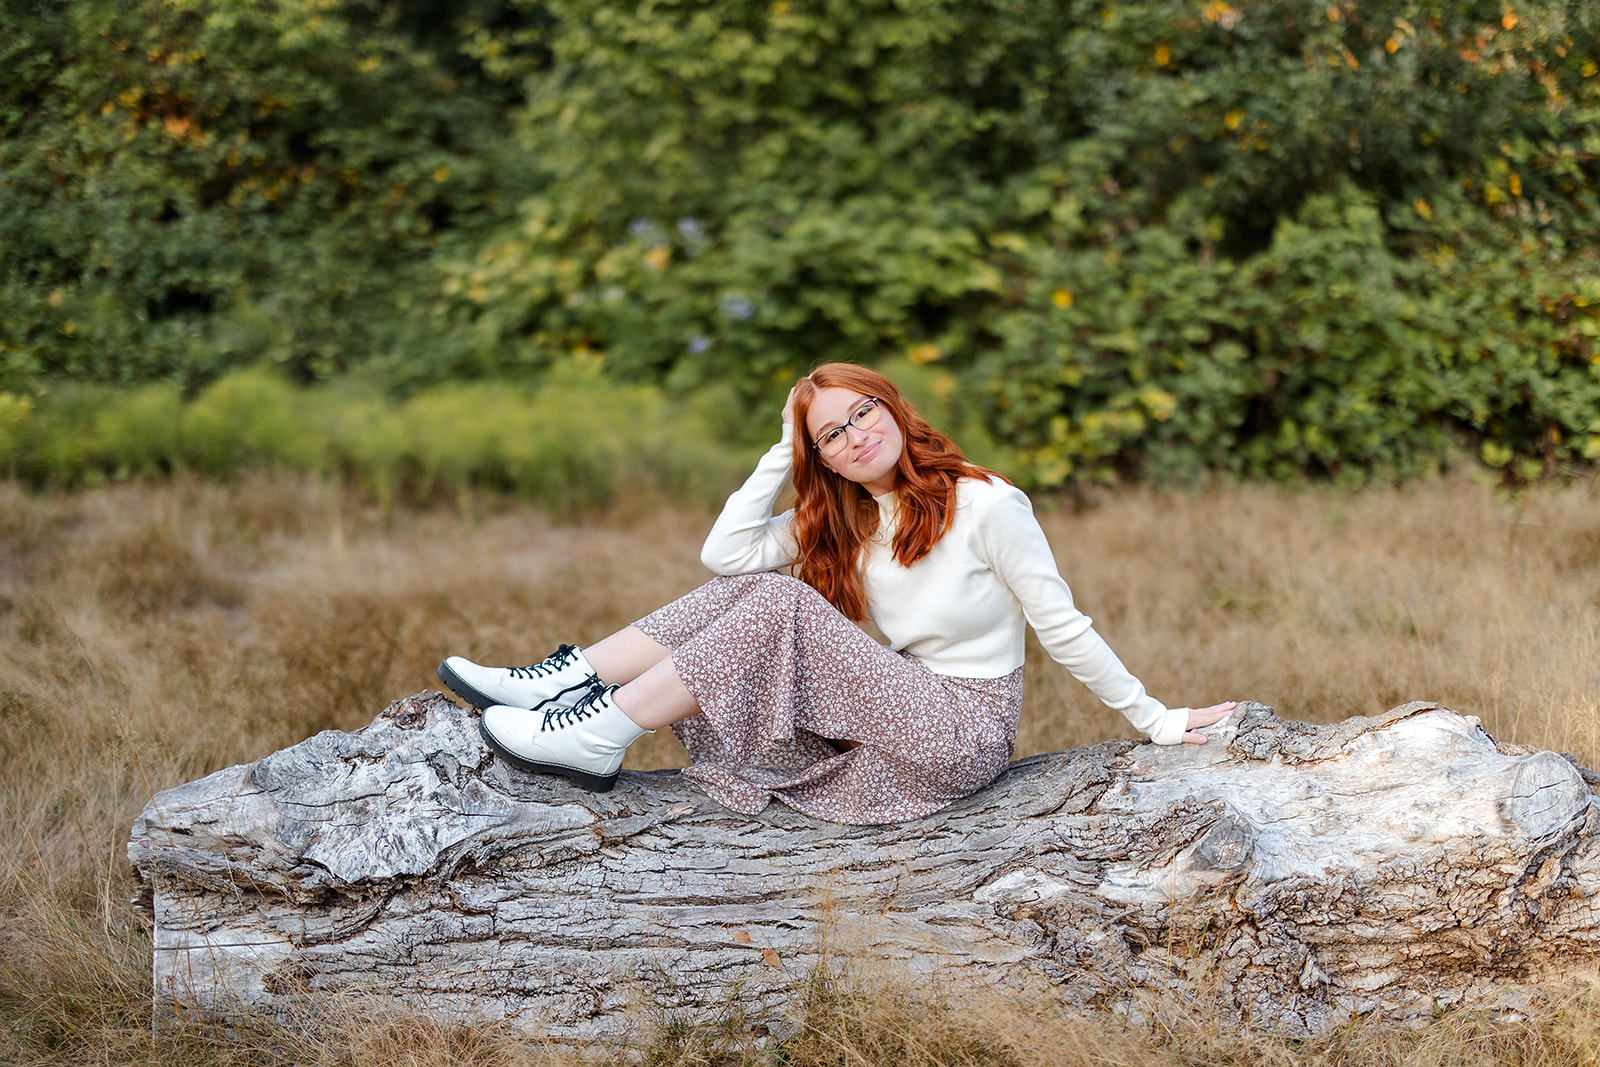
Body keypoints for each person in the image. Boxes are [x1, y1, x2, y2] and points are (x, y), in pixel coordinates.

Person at [438, 363, 1234, 825]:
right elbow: (726, 556)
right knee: (758, 587)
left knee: (781, 603)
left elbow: (1065, 626)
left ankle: (600, 730)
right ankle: (566, 683)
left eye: (863, 411)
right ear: (820, 455)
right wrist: (782, 455)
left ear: (892, 405)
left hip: (960, 732)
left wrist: (1157, 720)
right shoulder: (848, 511)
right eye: (832, 434)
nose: (857, 434)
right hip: (888, 728)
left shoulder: (990, 504)